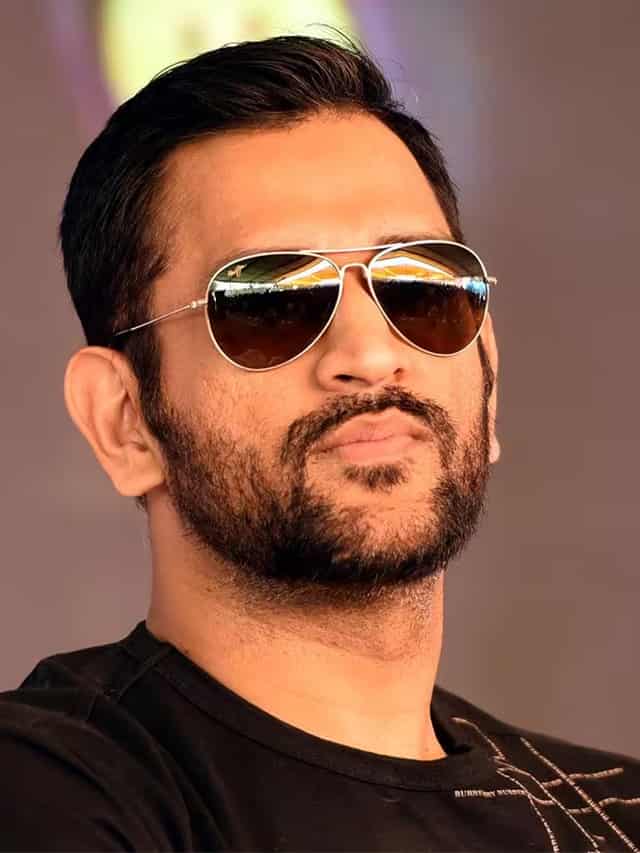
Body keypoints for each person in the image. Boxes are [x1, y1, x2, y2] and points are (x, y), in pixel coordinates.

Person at [1, 34, 638, 853]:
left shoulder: (611, 813)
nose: (371, 353)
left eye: (421, 286)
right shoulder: (50, 789)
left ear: (489, 376)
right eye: (267, 303)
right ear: (123, 418)